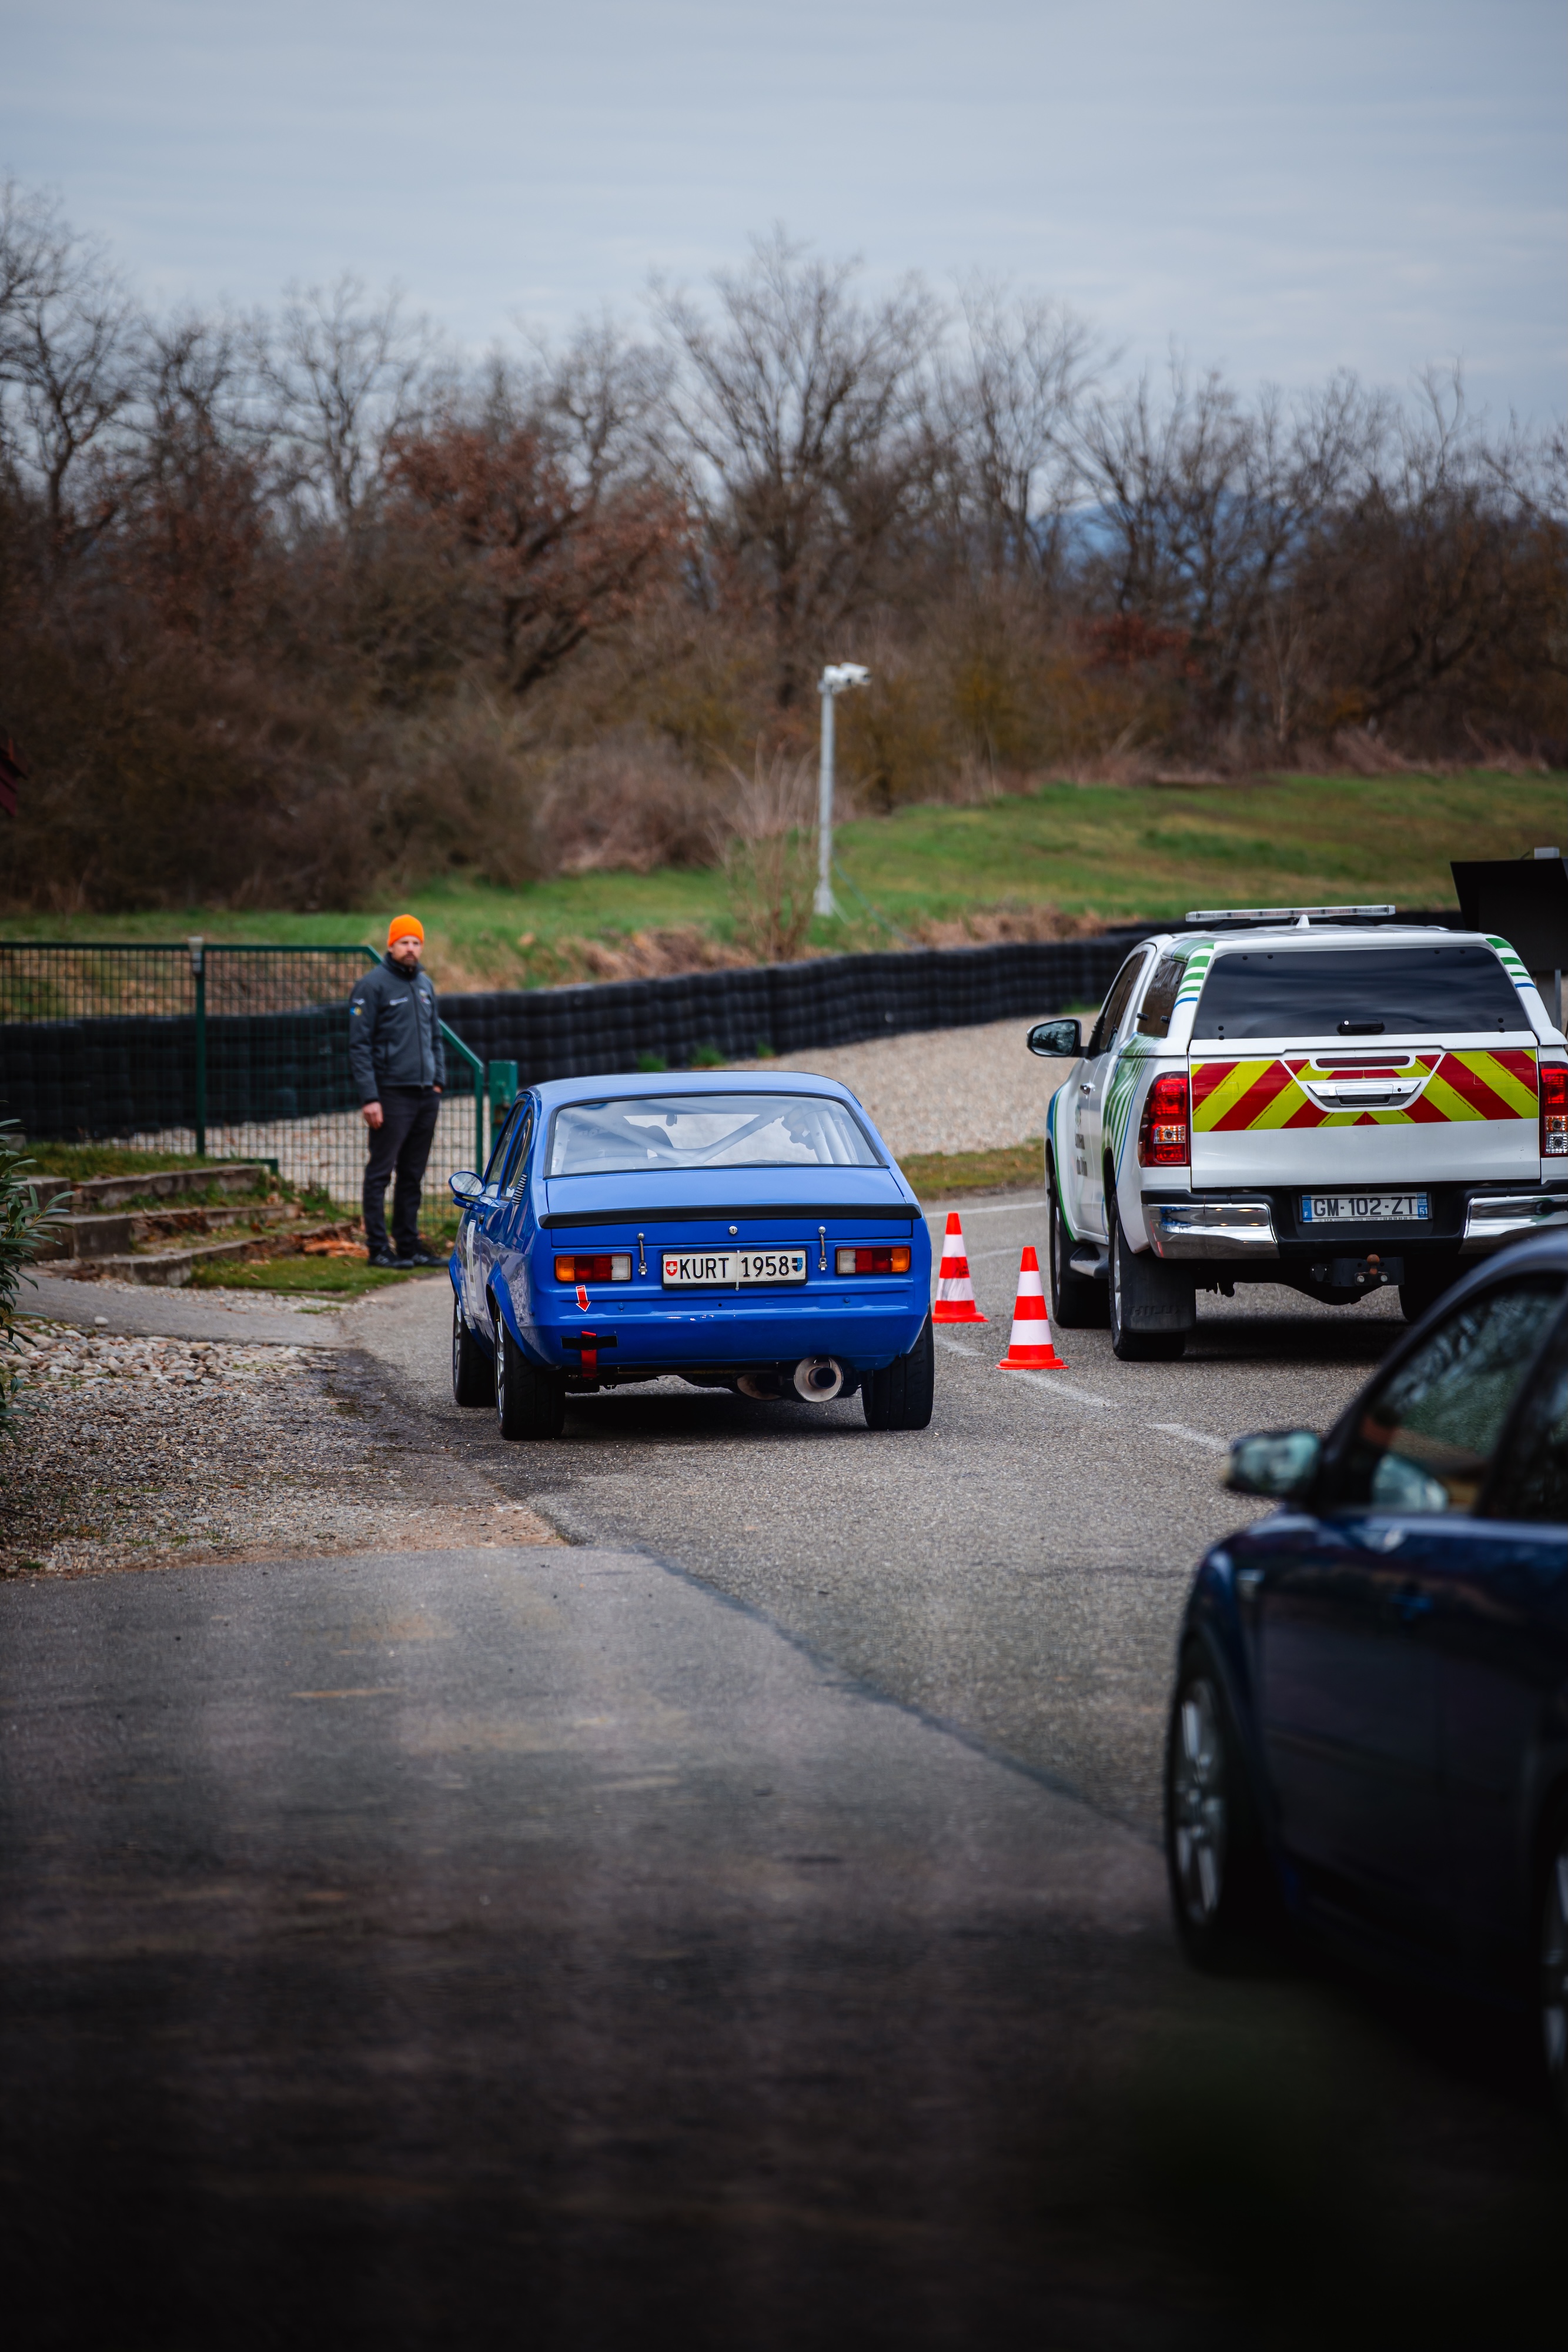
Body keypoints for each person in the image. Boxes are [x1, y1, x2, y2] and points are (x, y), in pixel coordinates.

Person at [349, 916, 446, 1268]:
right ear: (391, 945)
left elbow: (436, 1037)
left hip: (425, 1094)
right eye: (404, 942)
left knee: (412, 1174)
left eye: (416, 942)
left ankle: (409, 1245)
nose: (410, 948)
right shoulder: (371, 986)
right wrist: (370, 1097)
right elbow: (359, 1046)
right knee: (381, 1173)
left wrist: (438, 1081)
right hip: (390, 1094)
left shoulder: (424, 984)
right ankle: (378, 1248)